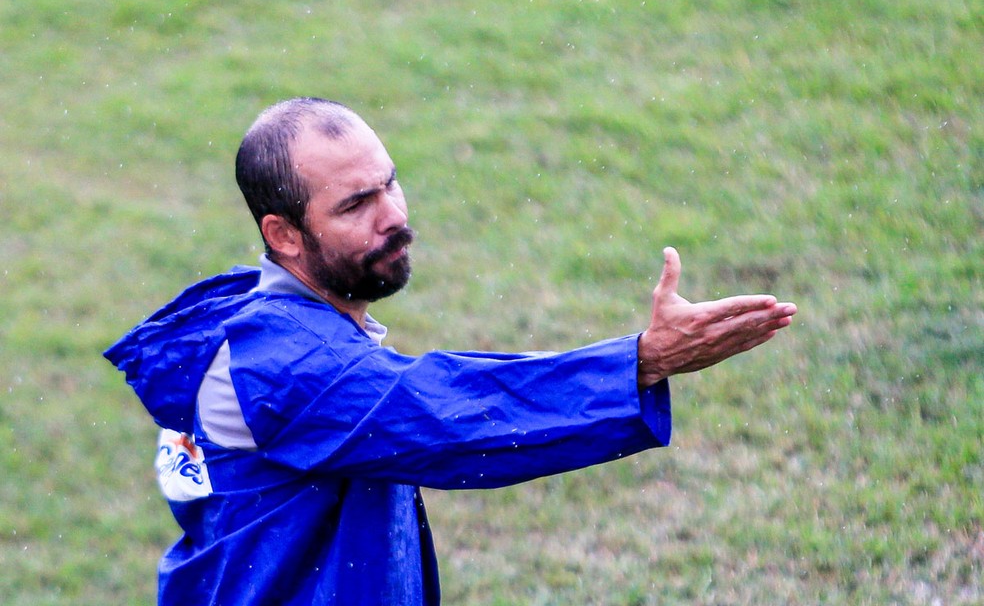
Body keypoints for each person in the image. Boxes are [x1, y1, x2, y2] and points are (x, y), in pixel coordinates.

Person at [105, 97, 797, 605]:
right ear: (283, 235)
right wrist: (638, 363)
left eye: (390, 184)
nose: (395, 216)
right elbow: (451, 418)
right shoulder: (280, 367)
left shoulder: (257, 322)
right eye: (355, 206)